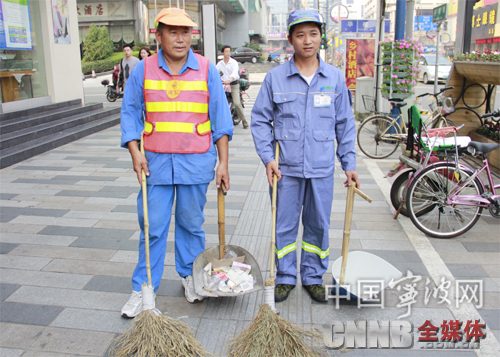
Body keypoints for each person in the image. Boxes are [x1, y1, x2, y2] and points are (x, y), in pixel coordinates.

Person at [120, 7, 233, 317]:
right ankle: (143, 289)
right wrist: (135, 151)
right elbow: (130, 113)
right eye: (173, 31)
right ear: (159, 35)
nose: (180, 38)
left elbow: (221, 119)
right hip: (154, 164)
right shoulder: (143, 70)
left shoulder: (207, 69)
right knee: (152, 227)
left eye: (185, 32)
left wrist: (223, 163)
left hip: (196, 163)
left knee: (191, 224)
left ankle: (190, 276)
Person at [251, 10, 359, 304]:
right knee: (283, 225)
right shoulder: (276, 78)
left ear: (321, 36)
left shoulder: (334, 78)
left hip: (322, 168)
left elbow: (345, 124)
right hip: (285, 169)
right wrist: (267, 158)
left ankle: (312, 277)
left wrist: (349, 164)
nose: (307, 40)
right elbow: (260, 120)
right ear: (290, 40)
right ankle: (285, 277)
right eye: (300, 35)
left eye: (313, 33)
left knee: (318, 224)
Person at [216, 45, 249, 129]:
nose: (228, 53)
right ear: (222, 53)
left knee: (237, 103)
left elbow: (234, 73)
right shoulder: (220, 63)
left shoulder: (234, 62)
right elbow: (215, 72)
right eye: (226, 51)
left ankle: (244, 121)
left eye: (229, 51)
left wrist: (230, 80)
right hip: (223, 85)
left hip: (233, 84)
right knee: (219, 102)